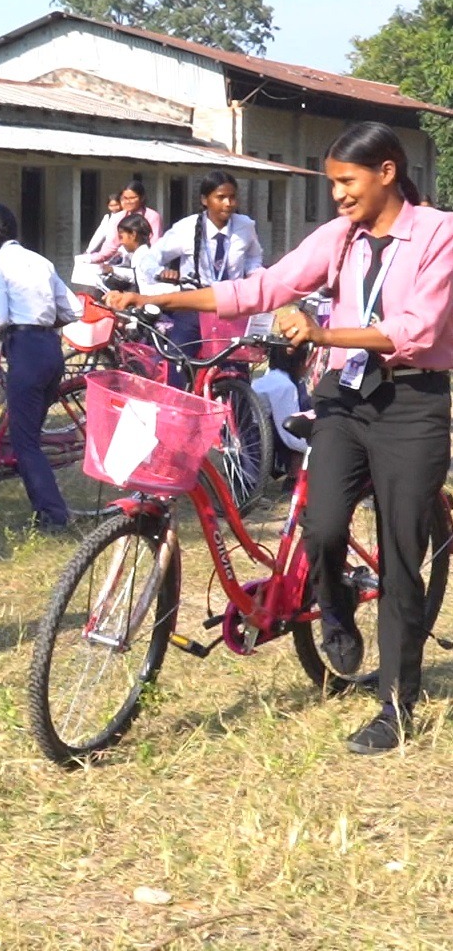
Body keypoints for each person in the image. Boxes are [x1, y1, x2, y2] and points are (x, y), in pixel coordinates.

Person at [107, 122, 453, 755]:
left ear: (386, 172)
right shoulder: (340, 237)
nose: (339, 197)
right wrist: (156, 297)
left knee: (403, 552)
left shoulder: (438, 235)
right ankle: (337, 603)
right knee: (320, 527)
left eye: (347, 182)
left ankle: (395, 707)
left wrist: (321, 336)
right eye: (332, 185)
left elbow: (418, 329)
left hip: (411, 401)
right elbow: (261, 288)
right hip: (345, 399)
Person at [0, 203, 77, 533]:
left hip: (27, 353)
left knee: (25, 444)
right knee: (28, 431)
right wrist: (41, 321)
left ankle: (54, 517)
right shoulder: (41, 260)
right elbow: (73, 309)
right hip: (51, 350)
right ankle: (41, 504)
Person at [153, 171, 264, 377]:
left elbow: (253, 257)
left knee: (235, 366)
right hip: (194, 304)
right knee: (179, 360)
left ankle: (239, 406)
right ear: (205, 199)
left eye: (232, 197)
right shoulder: (185, 228)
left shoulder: (245, 226)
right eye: (220, 197)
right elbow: (151, 258)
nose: (228, 203)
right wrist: (162, 272)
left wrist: (255, 274)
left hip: (231, 306)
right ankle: (181, 406)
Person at [251, 341, 312, 485]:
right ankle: (294, 476)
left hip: (251, 436)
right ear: (299, 362)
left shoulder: (264, 380)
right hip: (260, 440)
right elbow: (290, 436)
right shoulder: (285, 386)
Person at [101, 213, 164, 293]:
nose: (121, 242)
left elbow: (136, 276)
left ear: (133, 235)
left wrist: (113, 270)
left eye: (121, 237)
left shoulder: (143, 256)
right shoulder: (138, 254)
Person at [83, 193, 126, 261]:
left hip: (121, 251)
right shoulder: (107, 217)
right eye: (111, 205)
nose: (114, 207)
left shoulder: (125, 216)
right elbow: (99, 234)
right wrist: (89, 250)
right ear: (108, 206)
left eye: (116, 205)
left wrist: (122, 251)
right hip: (108, 249)